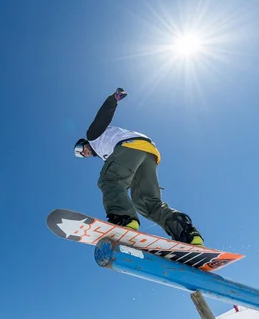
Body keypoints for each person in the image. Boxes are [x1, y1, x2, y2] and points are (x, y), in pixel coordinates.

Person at [74, 88, 204, 245]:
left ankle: (124, 219)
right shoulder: (106, 154)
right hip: (149, 152)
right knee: (147, 203)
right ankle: (187, 233)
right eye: (80, 155)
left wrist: (113, 99)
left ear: (84, 142)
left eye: (80, 149)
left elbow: (102, 117)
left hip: (130, 147)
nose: (83, 154)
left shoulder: (93, 136)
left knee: (109, 181)